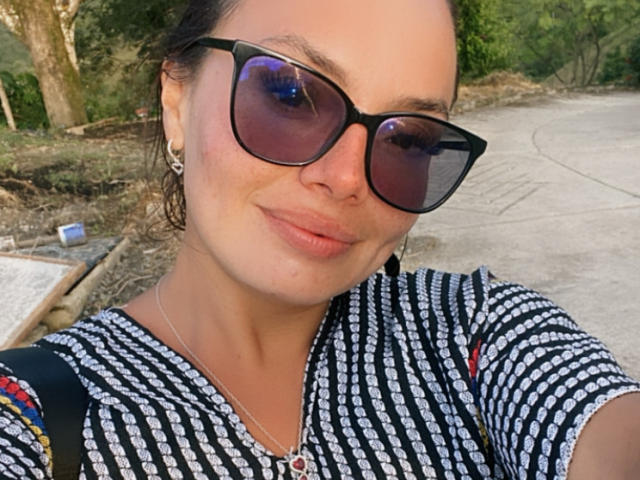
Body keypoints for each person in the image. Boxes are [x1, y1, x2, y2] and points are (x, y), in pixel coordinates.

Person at [1, 0, 639, 478]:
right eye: (289, 94)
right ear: (176, 102)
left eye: (408, 139)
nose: (346, 178)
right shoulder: (31, 418)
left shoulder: (473, 333)